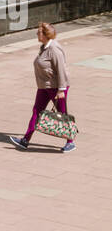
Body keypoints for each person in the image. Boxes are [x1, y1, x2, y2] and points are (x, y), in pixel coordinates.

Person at [10, 23, 75, 152]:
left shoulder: (54, 49)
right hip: (44, 87)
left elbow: (61, 69)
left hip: (56, 87)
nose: (37, 34)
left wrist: (61, 90)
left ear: (46, 34)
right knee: (36, 111)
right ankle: (25, 140)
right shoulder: (44, 47)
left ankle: (71, 142)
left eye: (39, 32)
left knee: (62, 114)